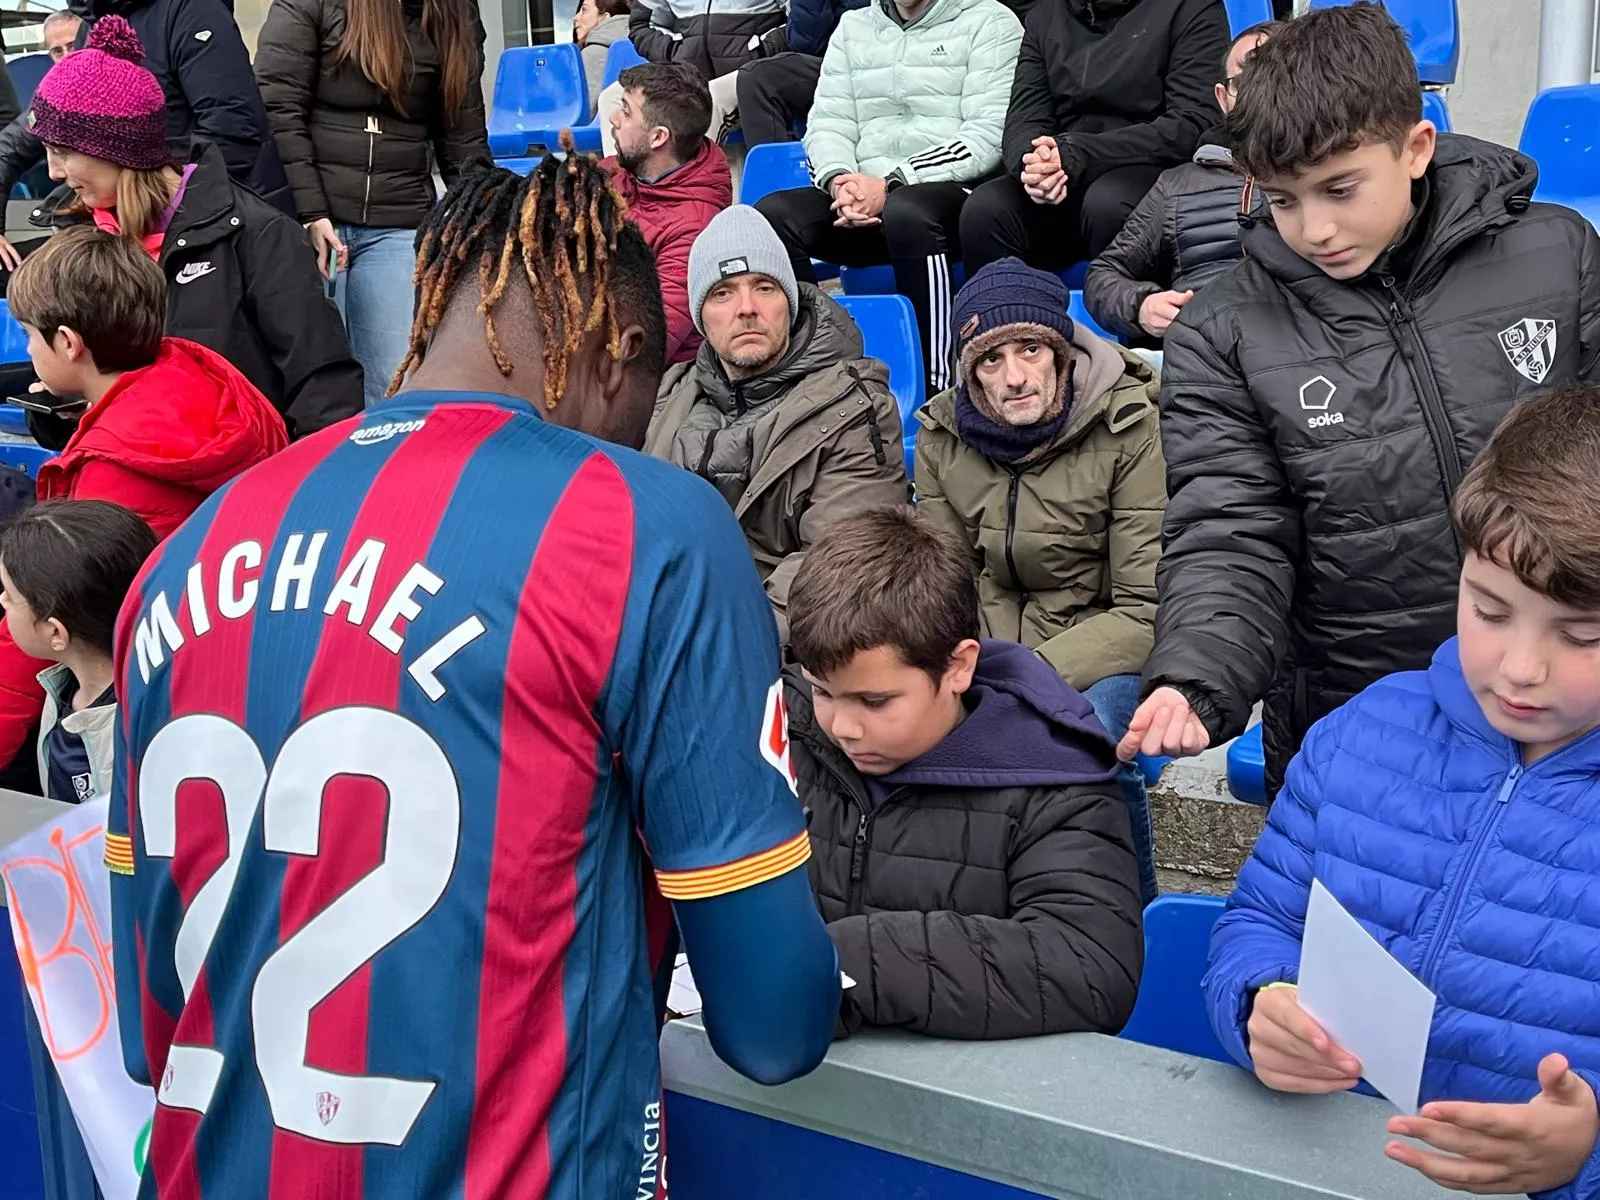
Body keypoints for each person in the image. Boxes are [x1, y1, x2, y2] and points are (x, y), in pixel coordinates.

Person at [108, 154, 841, 1198]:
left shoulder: (181, 555)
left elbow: (149, 1038)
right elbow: (773, 1025)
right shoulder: (649, 526)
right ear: (622, 354)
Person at [1116, 2, 1600, 798]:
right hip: (1354, 717)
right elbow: (1230, 526)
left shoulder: (1557, 255)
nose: (1315, 228)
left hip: (1562, 704)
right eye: (1281, 199)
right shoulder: (1224, 330)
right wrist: (1196, 674)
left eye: (1340, 188)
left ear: (1415, 148)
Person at [1203, 386, 1600, 1200]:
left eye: (1582, 635)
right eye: (1490, 610)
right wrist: (1259, 1005)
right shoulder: (1362, 733)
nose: (1521, 669)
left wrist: (1584, 1158)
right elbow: (1260, 921)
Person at [788, 506, 1144, 1038]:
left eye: (875, 701)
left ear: (957, 667)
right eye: (822, 691)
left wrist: (854, 962)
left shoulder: (1056, 780)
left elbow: (1091, 967)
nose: (843, 726)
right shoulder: (783, 735)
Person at [914, 259, 1164, 903]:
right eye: (990, 360)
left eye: (1029, 349)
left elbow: (1143, 608)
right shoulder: (943, 435)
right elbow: (945, 581)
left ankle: (1129, 912)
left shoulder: (1129, 425)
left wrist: (1022, 673)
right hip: (986, 644)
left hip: (1104, 644)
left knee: (1093, 738)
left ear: (1060, 351)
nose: (1015, 377)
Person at [0, 224, 285, 780]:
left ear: (67, 342)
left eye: (31, 336)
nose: (28, 349)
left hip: (145, 702)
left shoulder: (113, 472)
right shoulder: (196, 368)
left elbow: (54, 613)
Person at [25, 17, 363, 440]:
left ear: (118, 149)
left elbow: (323, 387)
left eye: (63, 152)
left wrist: (286, 491)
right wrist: (58, 410)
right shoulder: (74, 235)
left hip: (234, 484)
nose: (54, 173)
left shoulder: (255, 232)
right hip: (125, 479)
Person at [644, 205, 907, 635]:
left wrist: (723, 647)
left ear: (790, 300)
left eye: (764, 287)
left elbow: (839, 565)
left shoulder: (856, 406)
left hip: (783, 645)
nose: (746, 308)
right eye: (722, 293)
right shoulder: (668, 394)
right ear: (701, 316)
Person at [754, 0, 1021, 396]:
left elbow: (986, 136)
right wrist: (839, 181)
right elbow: (828, 122)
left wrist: (894, 182)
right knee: (773, 215)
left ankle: (939, 385)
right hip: (865, 197)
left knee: (908, 210)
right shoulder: (852, 27)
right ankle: (814, 377)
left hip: (953, 195)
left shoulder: (991, 21)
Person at [254, 0, 493, 409]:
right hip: (311, 220)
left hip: (398, 220)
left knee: (394, 384)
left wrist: (486, 228)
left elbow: (464, 137)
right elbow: (278, 104)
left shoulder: (455, 11)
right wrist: (312, 212)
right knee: (317, 383)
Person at [960, 0, 1230, 278]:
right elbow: (1025, 117)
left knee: (1109, 203)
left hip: (1152, 163)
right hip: (1063, 171)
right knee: (987, 209)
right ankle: (1007, 319)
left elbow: (1192, 123)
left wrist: (1079, 153)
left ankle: (1137, 315)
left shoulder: (1192, 7)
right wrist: (1034, 165)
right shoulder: (1046, 13)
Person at [0, 0, 292, 216]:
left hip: (217, 218)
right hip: (141, 217)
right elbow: (46, 120)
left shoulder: (192, 9)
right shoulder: (93, 26)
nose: (55, 172)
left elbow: (234, 127)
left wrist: (156, 207)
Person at [1084, 19, 1279, 342]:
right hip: (1203, 356)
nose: (1260, 90)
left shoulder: (1328, 175)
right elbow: (1103, 276)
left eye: (1275, 73)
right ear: (1223, 98)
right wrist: (1141, 306)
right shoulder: (1178, 186)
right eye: (1244, 79)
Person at [0, 500, 157, 806]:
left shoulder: (131, 739)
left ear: (56, 633)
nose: (2, 600)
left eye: (10, 594)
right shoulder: (64, 681)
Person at [604, 63, 732, 364]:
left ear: (658, 137)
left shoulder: (695, 230)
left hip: (651, 386)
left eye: (625, 110)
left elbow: (643, 347)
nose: (613, 118)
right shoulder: (614, 172)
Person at [596, 0, 785, 154]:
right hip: (688, 74)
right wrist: (673, 52)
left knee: (708, 99)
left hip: (748, 73)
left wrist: (761, 50)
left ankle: (696, 194)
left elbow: (801, 22)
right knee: (612, 97)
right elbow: (641, 24)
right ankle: (622, 193)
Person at [733, 0, 865, 148]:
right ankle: (773, 168)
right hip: (828, 62)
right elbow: (805, 43)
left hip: (871, 62)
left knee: (756, 80)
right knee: (753, 79)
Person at [575, 0, 632, 108]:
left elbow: (587, 110)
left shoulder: (592, 53)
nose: (576, 17)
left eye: (584, 10)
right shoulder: (642, 47)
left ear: (605, 17)